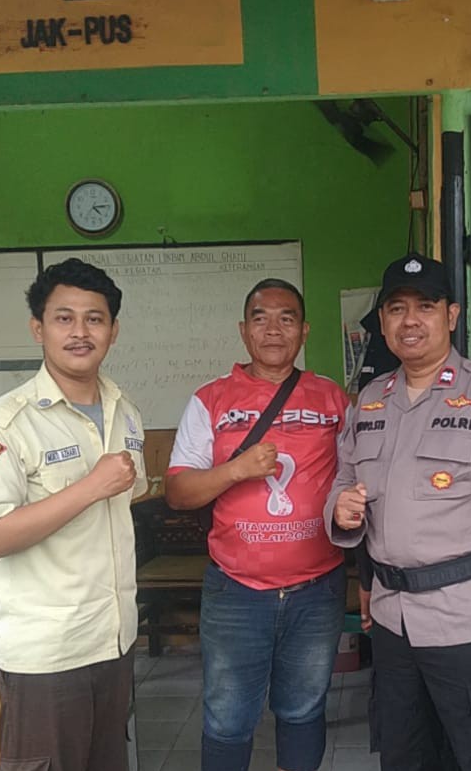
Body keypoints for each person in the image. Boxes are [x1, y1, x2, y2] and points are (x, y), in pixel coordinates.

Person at [327, 253, 471, 771]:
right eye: (396, 309)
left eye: (425, 306)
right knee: (406, 757)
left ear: (451, 315)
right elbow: (344, 480)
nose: (410, 320)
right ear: (382, 321)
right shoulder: (369, 401)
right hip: (393, 625)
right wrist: (338, 509)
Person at [0, 258, 147, 771]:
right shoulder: (3, 424)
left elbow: (123, 506)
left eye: (94, 318)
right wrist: (89, 487)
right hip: (47, 656)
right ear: (38, 328)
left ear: (113, 330)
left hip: (113, 640)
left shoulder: (125, 410)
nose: (80, 332)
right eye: (64, 318)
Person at [165, 278, 348, 771]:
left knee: (304, 708)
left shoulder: (333, 399)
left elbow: (355, 476)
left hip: (317, 590)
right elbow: (178, 492)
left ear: (304, 331)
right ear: (243, 330)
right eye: (261, 319)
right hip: (236, 591)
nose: (273, 330)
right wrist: (236, 470)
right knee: (227, 718)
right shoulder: (211, 399)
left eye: (287, 319)